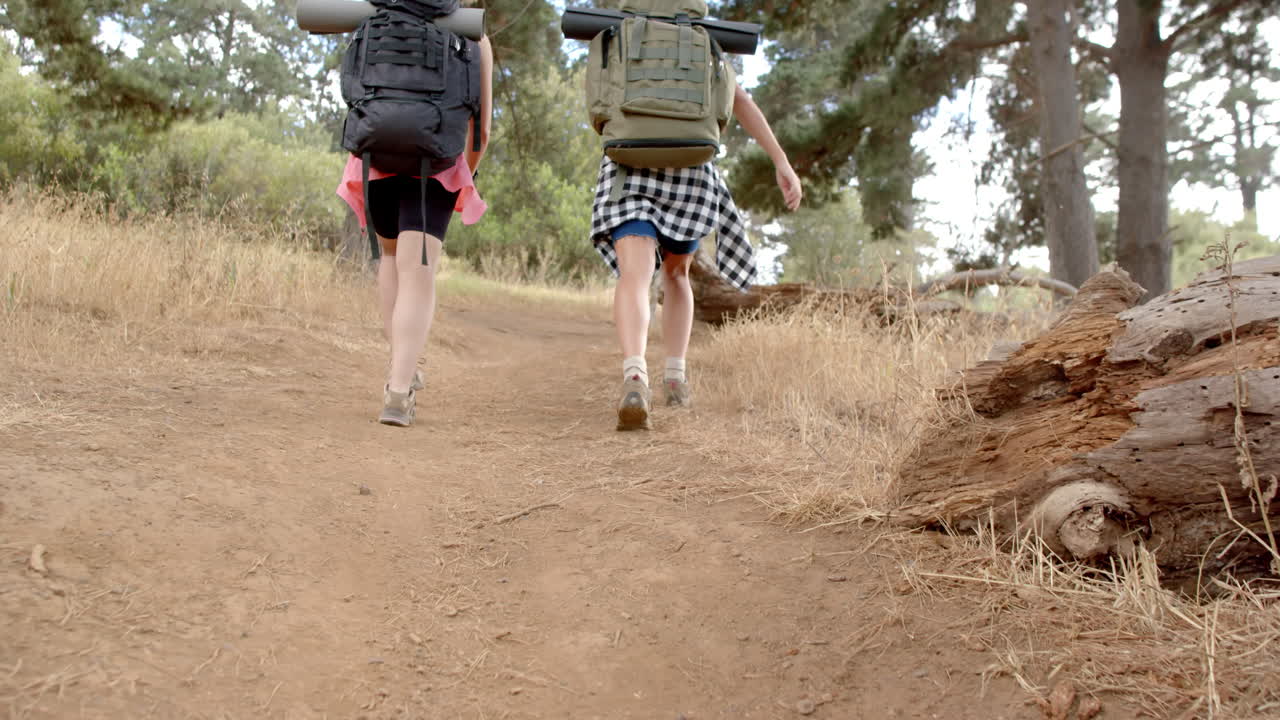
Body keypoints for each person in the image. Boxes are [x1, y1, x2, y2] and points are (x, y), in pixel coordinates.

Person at [592, 83, 802, 431]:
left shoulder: (620, 30)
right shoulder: (702, 39)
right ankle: (675, 379)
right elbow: (741, 100)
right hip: (689, 165)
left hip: (628, 160)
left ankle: (634, 376)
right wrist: (781, 162)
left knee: (635, 274)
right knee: (677, 275)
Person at [337, 35, 493, 427]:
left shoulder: (376, 22)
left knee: (391, 257)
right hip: (437, 163)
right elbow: (482, 129)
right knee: (418, 270)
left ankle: (398, 371)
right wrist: (464, 172)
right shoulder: (470, 33)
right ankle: (398, 391)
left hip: (374, 153)